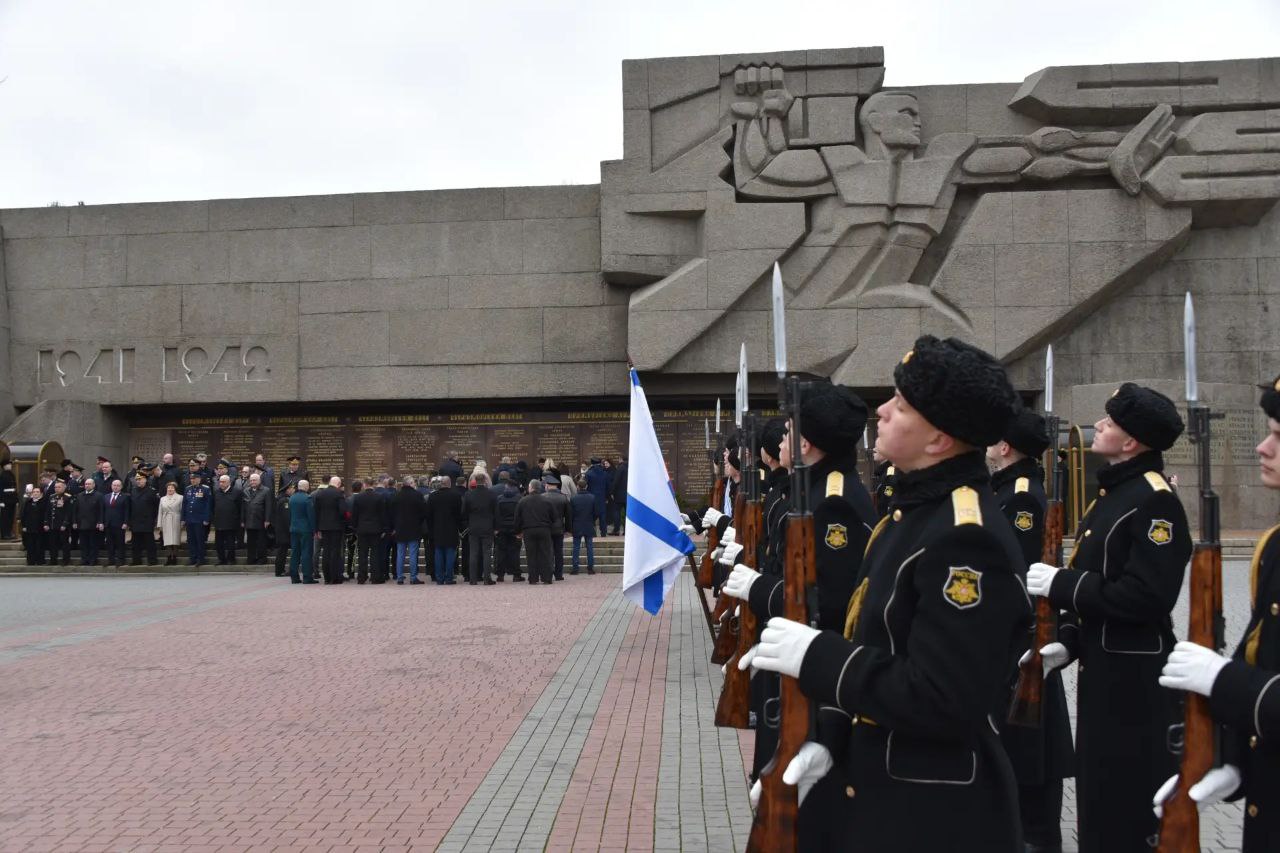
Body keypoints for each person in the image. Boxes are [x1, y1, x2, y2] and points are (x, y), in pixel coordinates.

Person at [742, 335, 1030, 851]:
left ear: (939, 439)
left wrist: (818, 655)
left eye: (900, 406)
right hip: (878, 787)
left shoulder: (967, 538)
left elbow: (944, 697)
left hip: (930, 812)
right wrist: (829, 733)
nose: (882, 410)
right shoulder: (912, 515)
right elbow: (875, 643)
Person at [1025, 382, 1191, 853]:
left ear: (1132, 441)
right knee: (1099, 799)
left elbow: (1146, 596)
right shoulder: (1114, 494)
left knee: (1127, 804)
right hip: (1105, 671)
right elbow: (1095, 574)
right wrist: (1070, 640)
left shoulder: (1154, 500)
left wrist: (1061, 586)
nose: (1098, 426)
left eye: (1110, 422)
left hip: (1137, 683)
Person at [1152, 373, 1280, 852]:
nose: (1264, 448)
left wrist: (1223, 682)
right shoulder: (1273, 547)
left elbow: (1248, 680)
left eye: (1278, 437)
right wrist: (1232, 764)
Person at [988, 409, 1075, 853]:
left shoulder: (1020, 498)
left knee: (1032, 801)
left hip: (1023, 661)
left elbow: (1020, 582)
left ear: (1005, 448)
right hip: (1015, 662)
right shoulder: (1005, 491)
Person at [516, 480, 555, 585]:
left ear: (532, 488)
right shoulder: (547, 501)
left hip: (528, 530)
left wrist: (518, 531)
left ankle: (533, 578)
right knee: (545, 554)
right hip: (544, 529)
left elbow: (518, 518)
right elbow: (554, 517)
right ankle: (546, 577)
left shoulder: (523, 501)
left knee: (531, 554)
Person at [425, 475, 463, 584]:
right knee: (450, 554)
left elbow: (429, 515)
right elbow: (459, 514)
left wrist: (431, 529)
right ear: (449, 483)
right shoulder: (455, 496)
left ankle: (439, 578)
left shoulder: (433, 496)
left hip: (437, 529)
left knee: (438, 554)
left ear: (441, 484)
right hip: (451, 529)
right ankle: (449, 577)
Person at [463, 472, 498, 585]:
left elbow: (464, 512)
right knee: (487, 553)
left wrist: (468, 522)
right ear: (485, 481)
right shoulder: (492, 494)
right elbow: (496, 512)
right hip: (488, 527)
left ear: (474, 481)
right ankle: (487, 578)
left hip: (473, 527)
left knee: (473, 553)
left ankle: (473, 579)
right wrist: (496, 527)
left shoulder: (468, 494)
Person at [391, 475, 426, 585]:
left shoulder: (396, 495)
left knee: (400, 553)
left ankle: (400, 577)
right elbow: (423, 512)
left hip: (400, 528)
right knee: (413, 553)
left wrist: (394, 526)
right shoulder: (417, 495)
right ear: (410, 483)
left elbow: (391, 513)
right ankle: (413, 577)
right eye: (413, 483)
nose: (415, 484)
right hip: (414, 528)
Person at [351, 478, 387, 583]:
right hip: (376, 529)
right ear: (373, 484)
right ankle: (375, 577)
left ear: (364, 484)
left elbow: (355, 515)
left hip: (362, 529)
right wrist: (384, 528)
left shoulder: (358, 497)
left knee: (362, 554)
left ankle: (362, 577)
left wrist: (355, 528)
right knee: (375, 554)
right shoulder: (379, 497)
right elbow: (382, 514)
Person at [312, 476, 347, 584]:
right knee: (335, 552)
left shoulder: (320, 494)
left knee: (326, 552)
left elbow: (316, 512)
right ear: (338, 483)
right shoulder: (339, 494)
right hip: (336, 527)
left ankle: (327, 577)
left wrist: (317, 529)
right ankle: (335, 577)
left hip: (323, 527)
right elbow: (342, 512)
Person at [494, 475, 523, 582]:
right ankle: (516, 575)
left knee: (501, 551)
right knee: (514, 552)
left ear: (507, 486)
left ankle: (500, 575)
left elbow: (496, 515)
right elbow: (521, 516)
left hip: (502, 529)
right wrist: (521, 530)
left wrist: (496, 528)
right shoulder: (519, 498)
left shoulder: (499, 498)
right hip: (515, 529)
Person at [543, 475, 571, 581]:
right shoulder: (563, 498)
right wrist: (568, 530)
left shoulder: (543, 497)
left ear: (547, 485)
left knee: (548, 551)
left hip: (546, 528)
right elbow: (568, 516)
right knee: (558, 552)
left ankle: (549, 573)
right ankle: (559, 574)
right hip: (559, 528)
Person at [127, 473, 160, 566]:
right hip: (135, 520)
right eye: (137, 480)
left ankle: (152, 560)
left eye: (140, 479)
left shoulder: (151, 491)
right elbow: (130, 506)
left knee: (150, 543)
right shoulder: (133, 491)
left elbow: (156, 506)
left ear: (145, 480)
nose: (138, 481)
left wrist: (154, 518)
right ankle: (136, 560)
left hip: (147, 520)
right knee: (135, 543)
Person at [288, 480, 317, 584]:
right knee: (306, 552)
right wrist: (315, 530)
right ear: (307, 487)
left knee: (295, 552)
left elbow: (290, 514)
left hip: (294, 528)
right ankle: (307, 577)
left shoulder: (292, 498)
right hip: (306, 529)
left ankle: (294, 577)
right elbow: (311, 516)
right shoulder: (308, 498)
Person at [181, 472, 212, 566]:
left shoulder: (205, 489)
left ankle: (200, 559)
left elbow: (208, 505)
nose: (193, 480)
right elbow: (185, 504)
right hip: (190, 519)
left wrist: (206, 518)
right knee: (191, 540)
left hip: (199, 519)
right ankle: (192, 558)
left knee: (199, 540)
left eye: (194, 479)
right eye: (191, 479)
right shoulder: (188, 489)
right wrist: (183, 518)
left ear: (199, 479)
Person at [212, 474, 242, 565]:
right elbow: (213, 507)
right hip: (219, 523)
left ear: (229, 482)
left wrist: (239, 520)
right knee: (219, 544)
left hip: (231, 523)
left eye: (223, 482)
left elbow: (240, 507)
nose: (221, 483)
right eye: (220, 482)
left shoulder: (237, 492)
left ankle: (231, 559)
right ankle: (221, 559)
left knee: (230, 544)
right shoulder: (216, 492)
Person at [569, 478, 598, 575]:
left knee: (576, 547)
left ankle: (575, 568)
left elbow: (571, 514)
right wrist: (591, 520)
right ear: (586, 486)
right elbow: (596, 512)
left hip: (577, 524)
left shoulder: (573, 498)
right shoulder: (592, 497)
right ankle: (590, 568)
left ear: (577, 487)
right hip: (588, 524)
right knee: (589, 547)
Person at [75, 474, 105, 566]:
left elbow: (101, 510)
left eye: (89, 484)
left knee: (93, 544)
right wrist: (75, 521)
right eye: (86, 484)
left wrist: (100, 522)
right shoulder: (80, 495)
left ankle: (92, 560)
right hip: (82, 524)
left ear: (93, 485)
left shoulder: (99, 496)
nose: (87, 485)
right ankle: (84, 559)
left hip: (93, 524)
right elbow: (76, 510)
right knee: (83, 544)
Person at [241, 473, 270, 564]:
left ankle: (262, 559)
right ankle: (251, 558)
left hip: (261, 520)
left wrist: (267, 519)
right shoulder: (246, 491)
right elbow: (243, 507)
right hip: (249, 520)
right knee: (250, 542)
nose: (252, 482)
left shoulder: (266, 490)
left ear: (259, 480)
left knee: (261, 541)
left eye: (254, 480)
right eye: (251, 480)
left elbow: (269, 506)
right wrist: (242, 520)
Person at [103, 479, 131, 568]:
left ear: (121, 487)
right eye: (114, 485)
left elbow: (127, 511)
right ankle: (111, 560)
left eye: (118, 485)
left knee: (120, 543)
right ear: (111, 486)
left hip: (120, 524)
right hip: (108, 524)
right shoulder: (106, 496)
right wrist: (102, 522)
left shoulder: (125, 497)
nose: (115, 487)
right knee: (109, 543)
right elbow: (103, 510)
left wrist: (126, 522)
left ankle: (120, 560)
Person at [157, 481, 183, 565]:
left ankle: (174, 557)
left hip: (176, 519)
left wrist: (182, 522)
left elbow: (182, 510)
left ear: (175, 489)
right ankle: (168, 557)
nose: (170, 489)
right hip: (166, 520)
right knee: (167, 540)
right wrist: (159, 524)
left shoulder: (180, 498)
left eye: (172, 488)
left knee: (175, 540)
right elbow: (160, 512)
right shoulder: (162, 498)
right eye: (168, 488)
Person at [273, 483, 294, 577]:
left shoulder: (282, 499)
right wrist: (290, 529)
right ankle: (279, 570)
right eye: (292, 489)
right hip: (284, 531)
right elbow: (287, 517)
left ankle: (280, 570)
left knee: (282, 551)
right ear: (287, 490)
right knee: (282, 551)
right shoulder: (285, 501)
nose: (293, 490)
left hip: (281, 531)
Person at [585, 457, 609, 537]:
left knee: (591, 516)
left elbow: (585, 485)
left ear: (592, 463)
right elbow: (608, 486)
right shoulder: (604, 473)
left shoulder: (588, 473)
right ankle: (603, 533)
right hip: (602, 498)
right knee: (602, 517)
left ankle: (593, 533)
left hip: (591, 498)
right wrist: (607, 497)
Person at [21, 486, 45, 565]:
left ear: (41, 494)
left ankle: (39, 561)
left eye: (37, 492)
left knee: (39, 545)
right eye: (34, 492)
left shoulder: (43, 502)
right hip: (29, 528)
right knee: (30, 546)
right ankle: (31, 561)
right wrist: (24, 526)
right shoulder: (28, 502)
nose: (35, 493)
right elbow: (24, 515)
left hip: (40, 528)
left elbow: (46, 515)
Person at [608, 456, 627, 535]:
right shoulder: (632, 467)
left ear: (621, 459)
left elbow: (616, 481)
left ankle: (616, 530)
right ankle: (627, 531)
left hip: (619, 494)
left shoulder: (620, 467)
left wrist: (612, 492)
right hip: (629, 495)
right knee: (628, 514)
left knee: (616, 512)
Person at [0, 459, 16, 539]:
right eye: (8, 464)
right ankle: (5, 533)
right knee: (5, 517)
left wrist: (16, 499)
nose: (10, 465)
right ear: (4, 466)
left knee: (10, 517)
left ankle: (9, 532)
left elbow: (14, 487)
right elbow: (1, 489)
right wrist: (1, 501)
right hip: (5, 499)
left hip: (11, 499)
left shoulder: (11, 474)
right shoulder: (2, 475)